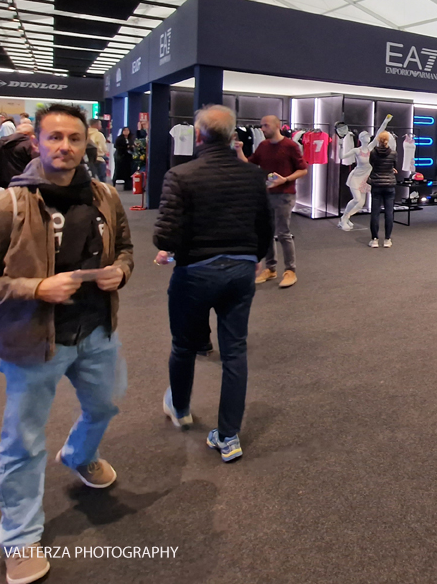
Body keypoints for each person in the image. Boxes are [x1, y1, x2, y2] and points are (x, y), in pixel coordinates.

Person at [0, 105, 133, 584]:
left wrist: (122, 271)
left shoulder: (106, 195)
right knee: (23, 442)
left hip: (97, 332)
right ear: (37, 143)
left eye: (74, 138)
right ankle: (20, 538)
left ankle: (77, 455)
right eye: (55, 138)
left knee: (106, 406)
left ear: (85, 142)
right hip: (35, 340)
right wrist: (34, 288)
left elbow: (127, 249)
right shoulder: (4, 206)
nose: (65, 147)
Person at [153, 104, 272, 462]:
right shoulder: (253, 175)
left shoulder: (181, 175)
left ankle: (181, 406)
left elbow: (165, 234)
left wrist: (168, 251)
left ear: (200, 134)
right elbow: (265, 227)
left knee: (183, 345)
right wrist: (252, 258)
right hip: (239, 271)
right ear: (233, 135)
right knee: (234, 351)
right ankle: (229, 436)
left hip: (194, 273)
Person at [238, 115, 307, 289]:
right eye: (261, 126)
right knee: (266, 233)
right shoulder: (263, 146)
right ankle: (270, 268)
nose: (262, 129)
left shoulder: (291, 146)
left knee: (283, 233)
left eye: (265, 126)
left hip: (285, 194)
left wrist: (285, 179)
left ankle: (290, 270)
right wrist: (239, 150)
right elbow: (249, 163)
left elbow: (303, 170)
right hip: (266, 194)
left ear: (277, 126)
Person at [367, 131, 398, 249]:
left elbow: (372, 164)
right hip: (389, 185)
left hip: (377, 185)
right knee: (389, 213)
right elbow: (394, 166)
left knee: (375, 213)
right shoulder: (394, 153)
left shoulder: (373, 153)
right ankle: (387, 239)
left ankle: (374, 239)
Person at [0, 120, 37, 190]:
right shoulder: (29, 144)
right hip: (25, 180)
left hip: (4, 180)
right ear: (28, 133)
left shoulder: (0, 142)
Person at [86, 119, 109, 184]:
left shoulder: (85, 134)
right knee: (102, 180)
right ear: (97, 125)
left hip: (88, 159)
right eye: (100, 124)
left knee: (91, 179)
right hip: (99, 159)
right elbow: (103, 148)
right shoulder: (99, 135)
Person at [114, 126, 135, 192]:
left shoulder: (131, 138)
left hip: (128, 158)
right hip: (121, 157)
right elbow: (117, 146)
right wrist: (126, 147)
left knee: (129, 172)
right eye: (125, 130)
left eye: (127, 130)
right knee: (118, 171)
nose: (126, 132)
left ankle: (128, 186)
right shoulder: (119, 139)